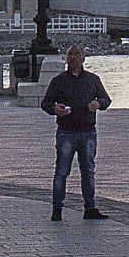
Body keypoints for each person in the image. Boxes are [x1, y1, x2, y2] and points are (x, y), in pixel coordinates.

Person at [42, 45, 110, 221]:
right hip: (66, 132)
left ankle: (90, 208)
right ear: (66, 58)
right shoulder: (58, 81)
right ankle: (57, 210)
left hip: (88, 132)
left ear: (83, 58)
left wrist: (98, 104)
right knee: (61, 172)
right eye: (70, 54)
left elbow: (106, 99)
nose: (73, 57)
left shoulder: (93, 79)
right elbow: (46, 103)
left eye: (77, 54)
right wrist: (55, 108)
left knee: (88, 171)